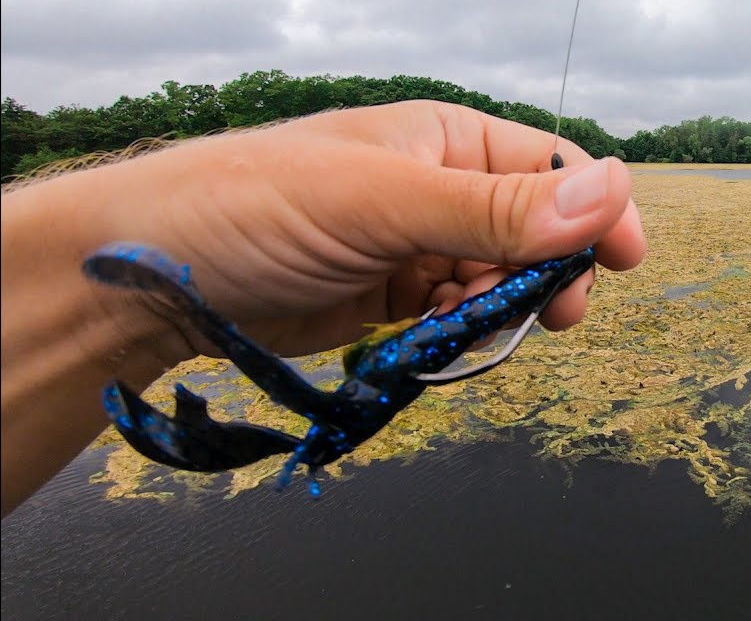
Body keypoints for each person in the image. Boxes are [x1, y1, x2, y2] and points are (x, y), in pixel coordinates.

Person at [0, 100, 648, 517]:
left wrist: (137, 314)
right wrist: (144, 309)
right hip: (430, 337)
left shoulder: (337, 408)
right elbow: (268, 372)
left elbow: (271, 371)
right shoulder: (337, 409)